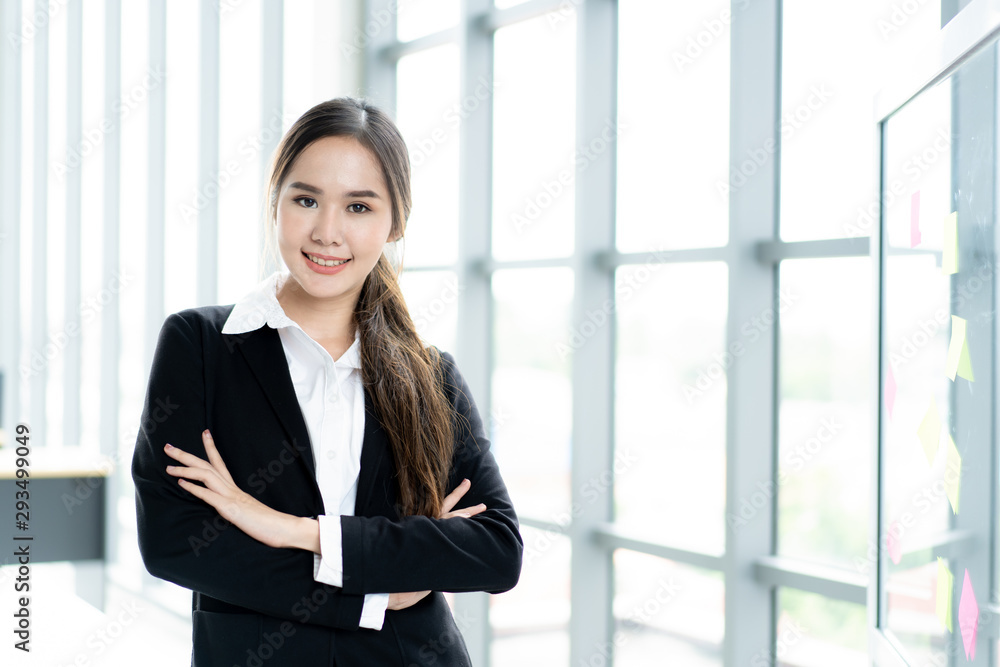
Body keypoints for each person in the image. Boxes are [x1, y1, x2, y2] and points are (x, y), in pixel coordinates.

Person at [131, 96, 523, 666]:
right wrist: (376, 587)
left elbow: (496, 552)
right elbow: (174, 543)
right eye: (306, 199)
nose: (326, 231)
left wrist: (289, 529)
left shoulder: (431, 378)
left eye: (359, 207)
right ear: (276, 202)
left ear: (396, 224)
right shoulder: (200, 346)